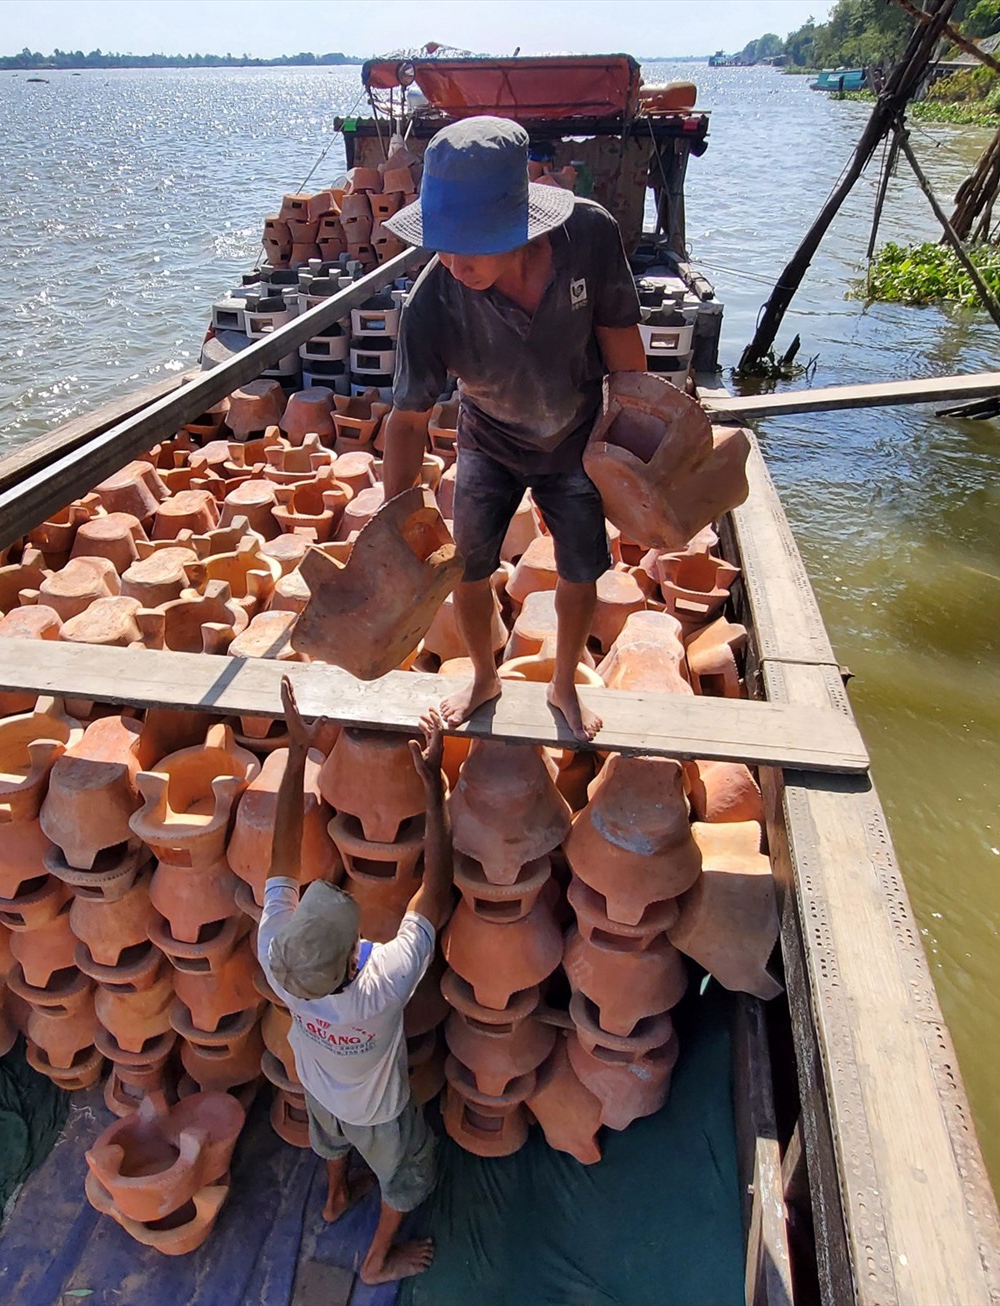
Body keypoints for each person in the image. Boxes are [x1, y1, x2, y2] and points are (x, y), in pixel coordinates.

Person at [379, 115, 648, 741]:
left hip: (576, 437)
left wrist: (636, 456)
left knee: (583, 567)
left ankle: (562, 682)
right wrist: (400, 516)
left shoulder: (588, 237)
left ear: (521, 226)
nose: (453, 261)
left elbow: (624, 353)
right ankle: (482, 674)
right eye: (442, 242)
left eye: (471, 244)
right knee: (467, 569)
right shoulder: (432, 301)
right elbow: (407, 421)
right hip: (489, 440)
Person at [257, 677, 456, 1285]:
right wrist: (433, 791)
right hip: (381, 1113)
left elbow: (280, 854)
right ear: (352, 963)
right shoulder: (384, 985)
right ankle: (376, 1260)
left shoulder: (278, 959)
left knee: (332, 1142)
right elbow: (434, 897)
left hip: (317, 1084)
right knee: (410, 1171)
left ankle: (335, 1195)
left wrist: (296, 752)